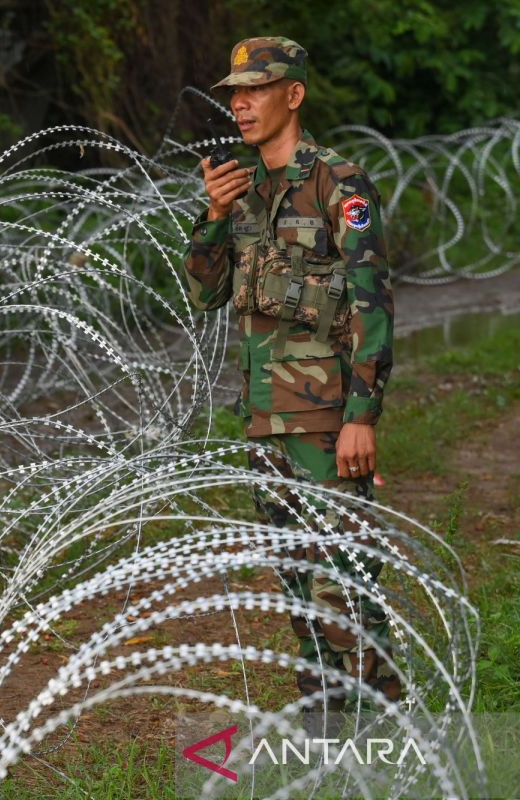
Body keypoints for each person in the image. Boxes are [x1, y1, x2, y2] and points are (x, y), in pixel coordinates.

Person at [182, 36, 400, 715]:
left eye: (256, 89)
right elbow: (207, 293)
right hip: (264, 416)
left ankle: (383, 720)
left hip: (325, 415)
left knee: (344, 580)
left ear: (293, 94)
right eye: (234, 94)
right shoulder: (242, 188)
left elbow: (372, 299)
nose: (241, 104)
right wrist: (214, 218)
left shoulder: (338, 181)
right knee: (298, 587)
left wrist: (361, 416)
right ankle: (323, 721)